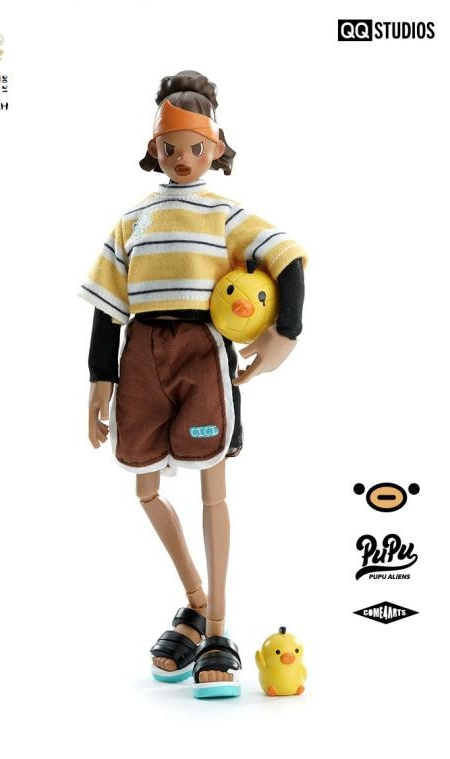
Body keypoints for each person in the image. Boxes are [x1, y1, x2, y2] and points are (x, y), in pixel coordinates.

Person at [79, 70, 306, 698]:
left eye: (195, 147)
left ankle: (219, 631)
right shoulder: (131, 221)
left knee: (213, 491)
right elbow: (107, 307)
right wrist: (99, 379)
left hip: (202, 355)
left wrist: (284, 334)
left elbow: (287, 254)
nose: (182, 159)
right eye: (170, 147)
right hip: (140, 356)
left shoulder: (224, 215)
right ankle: (197, 601)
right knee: (145, 487)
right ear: (154, 148)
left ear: (216, 148)